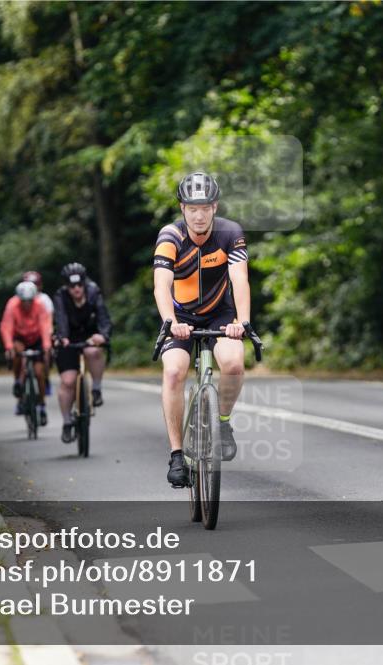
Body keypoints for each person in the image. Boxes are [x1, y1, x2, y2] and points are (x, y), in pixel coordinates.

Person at [153, 172, 251, 488]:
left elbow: (239, 279)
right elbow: (161, 285)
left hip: (219, 314)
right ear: (182, 208)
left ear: (214, 207)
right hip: (179, 316)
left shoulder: (230, 233)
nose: (199, 215)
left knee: (234, 364)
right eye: (192, 208)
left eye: (205, 208)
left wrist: (242, 322)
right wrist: (170, 322)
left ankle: (222, 422)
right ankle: (176, 455)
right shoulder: (170, 236)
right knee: (173, 372)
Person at [53, 262, 112, 444]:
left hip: (90, 336)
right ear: (66, 286)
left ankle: (96, 389)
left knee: (93, 351)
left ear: (84, 283)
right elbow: (61, 319)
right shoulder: (60, 296)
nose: (77, 289)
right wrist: (62, 337)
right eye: (72, 286)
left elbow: (104, 317)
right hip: (68, 339)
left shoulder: (94, 292)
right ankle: (67, 422)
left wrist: (103, 335)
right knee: (68, 382)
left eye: (80, 284)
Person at [0, 281, 53, 422]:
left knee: (39, 373)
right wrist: (9, 347)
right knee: (16, 351)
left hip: (36, 338)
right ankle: (18, 380)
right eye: (24, 301)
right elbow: (6, 326)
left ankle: (41, 405)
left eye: (30, 301)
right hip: (20, 337)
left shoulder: (40, 305)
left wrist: (47, 346)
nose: (27, 304)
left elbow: (45, 326)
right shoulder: (12, 305)